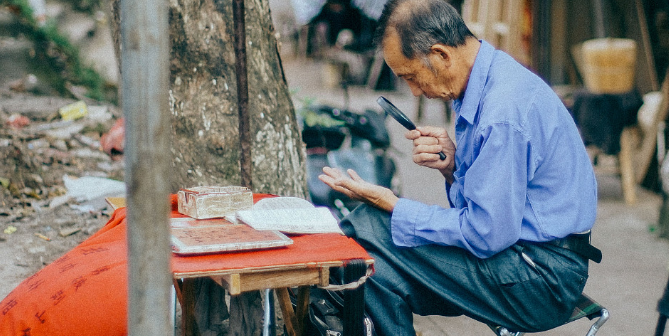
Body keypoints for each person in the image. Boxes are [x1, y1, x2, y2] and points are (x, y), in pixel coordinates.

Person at [317, 0, 602, 335]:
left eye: (411, 76)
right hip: (524, 256)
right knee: (371, 267)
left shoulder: (501, 113)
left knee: (371, 228)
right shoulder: (484, 82)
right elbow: (488, 211)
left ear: (440, 55)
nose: (413, 90)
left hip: (540, 278)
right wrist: (452, 168)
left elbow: (485, 233)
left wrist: (394, 205)